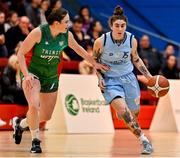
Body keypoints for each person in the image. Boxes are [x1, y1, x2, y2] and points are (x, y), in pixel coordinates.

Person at [12, 8, 109, 153]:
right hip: (33, 73)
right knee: (33, 105)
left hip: (50, 76)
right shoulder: (39, 32)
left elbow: (79, 49)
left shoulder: (66, 35)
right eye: (66, 22)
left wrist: (94, 63)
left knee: (46, 115)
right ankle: (35, 141)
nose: (68, 24)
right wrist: (26, 75)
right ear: (56, 23)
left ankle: (20, 124)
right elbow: (20, 53)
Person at [93, 6, 153, 154]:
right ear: (111, 26)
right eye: (117, 25)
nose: (120, 28)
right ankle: (144, 141)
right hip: (110, 80)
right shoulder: (101, 41)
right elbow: (95, 61)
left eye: (123, 25)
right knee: (125, 113)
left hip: (129, 78)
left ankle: (122, 110)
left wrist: (149, 77)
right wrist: (99, 77)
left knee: (134, 113)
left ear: (126, 26)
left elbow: (136, 58)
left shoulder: (132, 40)